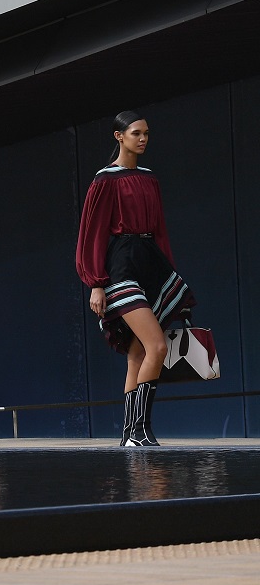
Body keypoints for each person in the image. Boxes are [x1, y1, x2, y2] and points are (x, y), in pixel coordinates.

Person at [76, 111, 195, 447]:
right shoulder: (105, 179)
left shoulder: (149, 178)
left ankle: (131, 434)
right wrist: (95, 282)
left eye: (146, 133)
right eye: (136, 133)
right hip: (121, 266)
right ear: (119, 136)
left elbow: (160, 231)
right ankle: (140, 429)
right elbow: (92, 233)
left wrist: (170, 280)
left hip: (150, 263)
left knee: (138, 353)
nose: (143, 139)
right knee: (156, 346)